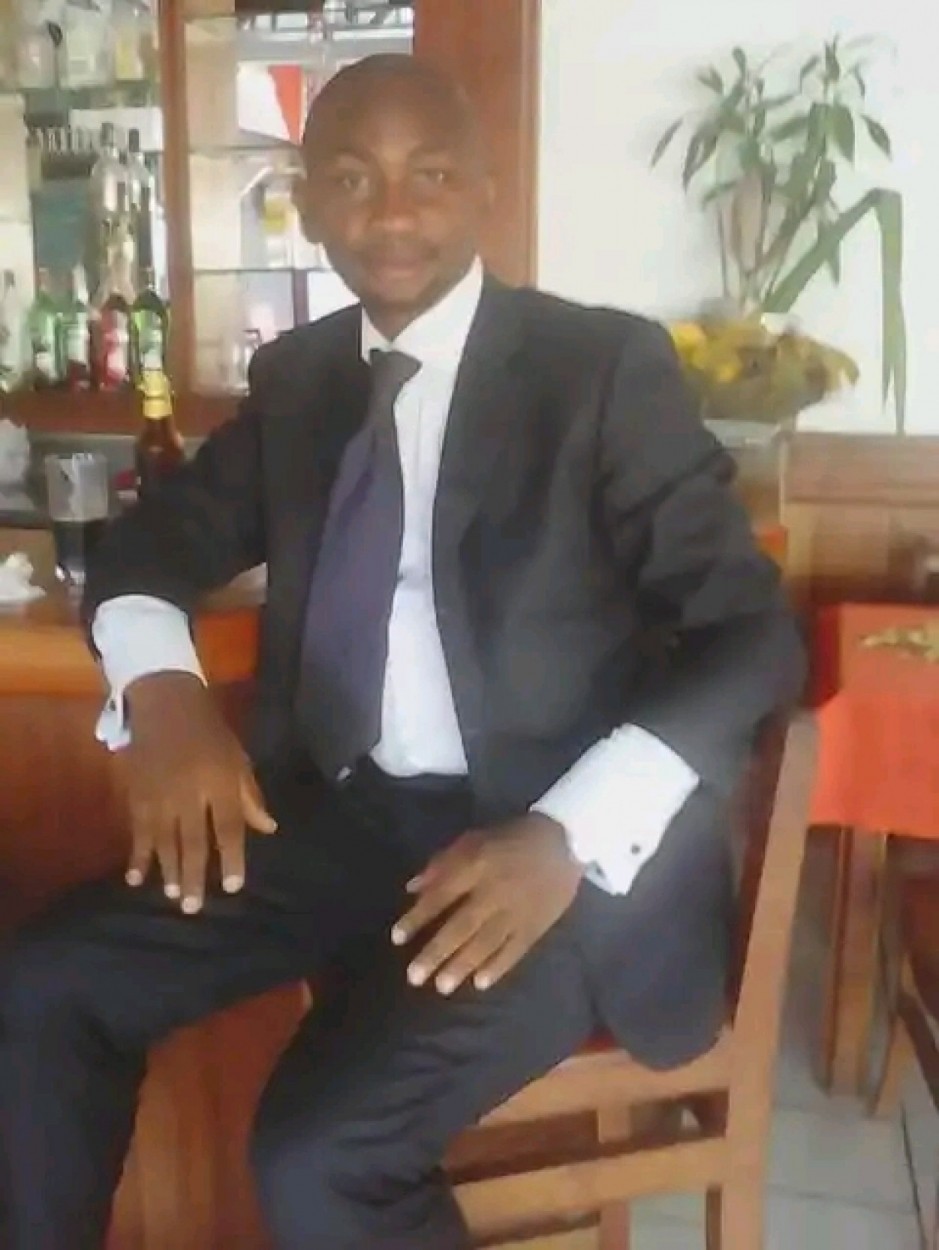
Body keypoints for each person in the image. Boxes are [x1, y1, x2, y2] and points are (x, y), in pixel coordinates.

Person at [0, 54, 804, 1250]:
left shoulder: (597, 371)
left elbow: (752, 633)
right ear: (307, 204)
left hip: (558, 855)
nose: (391, 213)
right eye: (352, 178)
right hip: (346, 821)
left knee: (319, 1152)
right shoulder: (303, 380)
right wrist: (164, 694)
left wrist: (567, 831)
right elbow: (148, 547)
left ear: (483, 190)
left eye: (428, 176)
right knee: (44, 984)